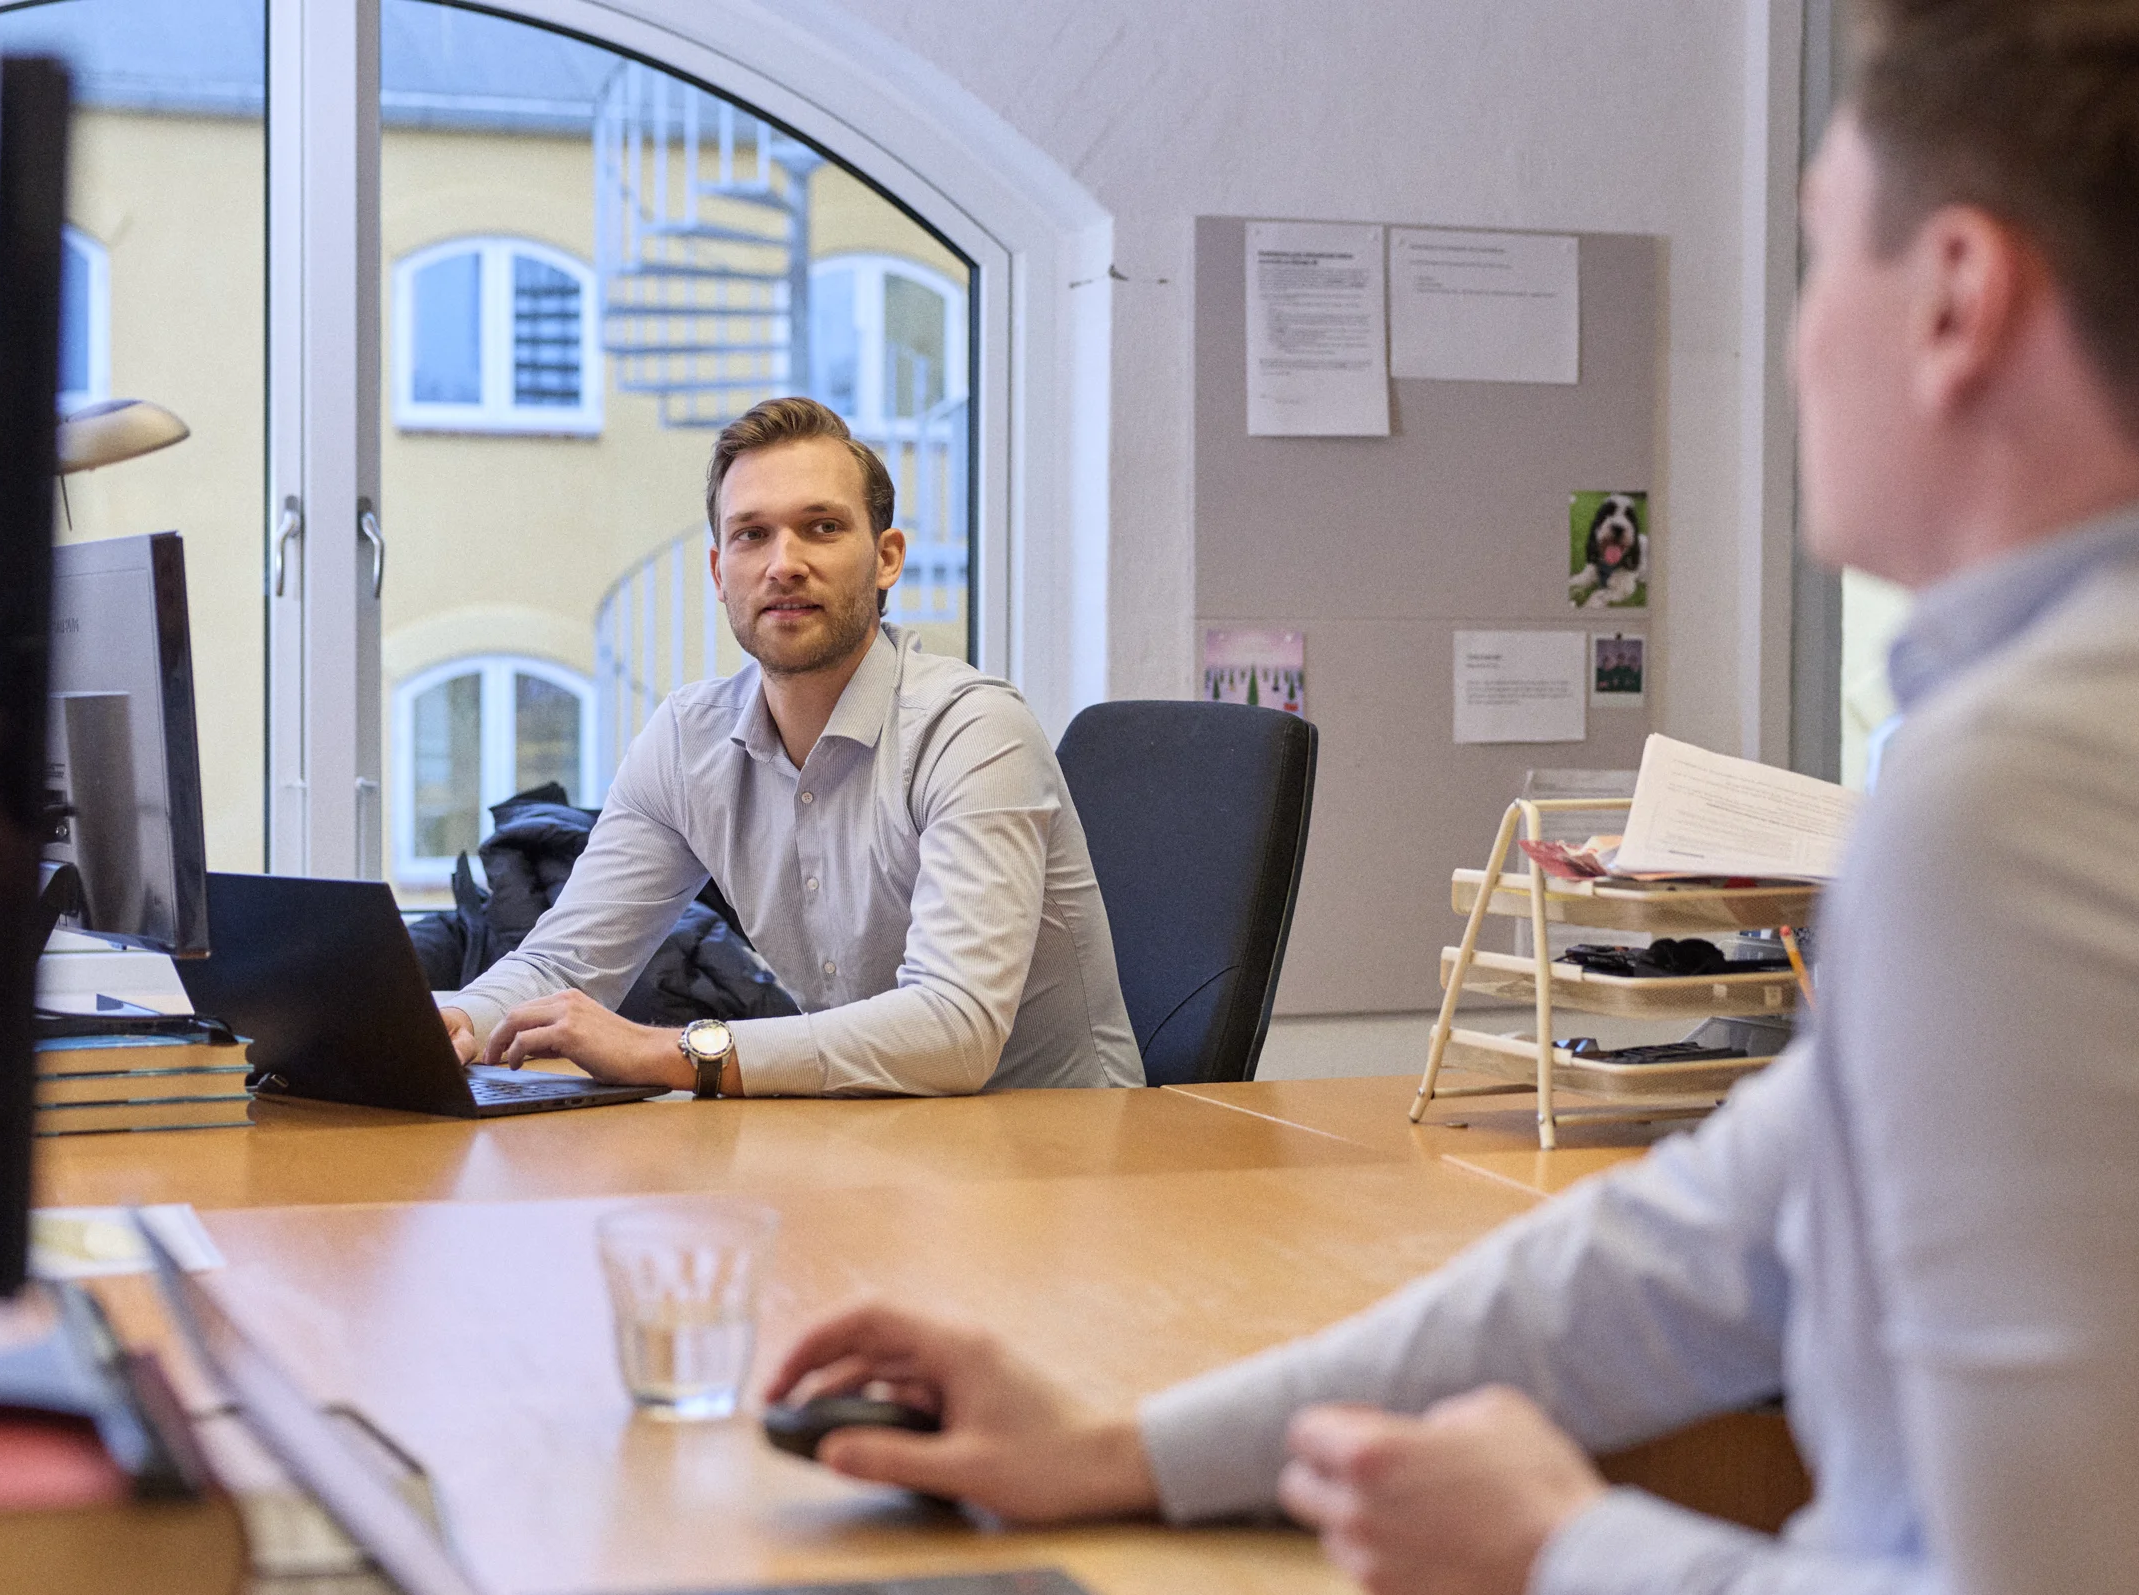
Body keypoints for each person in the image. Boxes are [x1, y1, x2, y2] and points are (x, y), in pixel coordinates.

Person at [764, 2, 2139, 1588]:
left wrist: (1568, 1547)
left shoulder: (2029, 786)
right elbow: (1688, 1257)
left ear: (1958, 300)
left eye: (1825, 253)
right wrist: (1120, 1446)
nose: (1798, 334)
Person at [437, 397, 1143, 1097]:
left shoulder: (972, 732)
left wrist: (668, 1051)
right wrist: (456, 1016)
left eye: (822, 527)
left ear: (887, 558)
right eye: (752, 535)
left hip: (1060, 1160)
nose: (784, 563)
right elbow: (565, 962)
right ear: (719, 573)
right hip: (875, 1140)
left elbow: (953, 1028)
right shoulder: (689, 743)